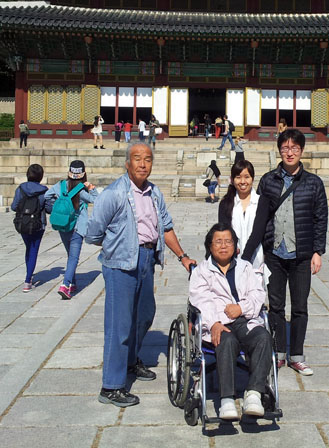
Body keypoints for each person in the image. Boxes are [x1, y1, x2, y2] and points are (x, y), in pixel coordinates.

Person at [86, 141, 196, 408]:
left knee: (145, 313)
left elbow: (166, 228)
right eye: (137, 158)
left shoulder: (154, 193)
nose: (143, 163)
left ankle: (130, 361)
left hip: (147, 258)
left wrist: (183, 257)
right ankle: (111, 386)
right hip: (120, 265)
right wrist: (118, 246)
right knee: (119, 324)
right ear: (127, 163)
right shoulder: (113, 193)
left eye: (147, 159)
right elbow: (93, 233)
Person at [257, 129, 327, 376]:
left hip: (301, 255)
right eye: (285, 148)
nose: (289, 152)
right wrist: (258, 250)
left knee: (300, 307)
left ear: (301, 151)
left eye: (294, 148)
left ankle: (297, 355)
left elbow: (320, 219)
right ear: (279, 150)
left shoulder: (314, 183)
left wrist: (318, 252)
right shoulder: (267, 181)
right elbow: (260, 217)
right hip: (274, 253)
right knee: (275, 306)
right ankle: (278, 353)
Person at [189, 223, 272, 420]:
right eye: (218, 242)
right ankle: (227, 399)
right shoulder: (201, 271)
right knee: (226, 341)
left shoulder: (246, 268)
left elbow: (258, 294)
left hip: (245, 320)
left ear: (236, 246)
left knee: (263, 337)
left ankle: (253, 394)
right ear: (210, 246)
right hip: (218, 324)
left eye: (228, 241)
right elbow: (200, 300)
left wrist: (241, 308)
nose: (224, 246)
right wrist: (214, 322)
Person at [44, 160, 99, 300]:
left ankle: (72, 282)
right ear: (83, 174)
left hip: (63, 226)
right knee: (74, 257)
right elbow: (96, 199)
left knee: (70, 255)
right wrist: (91, 187)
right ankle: (65, 285)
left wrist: (57, 206)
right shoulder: (81, 190)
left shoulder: (60, 185)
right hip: (77, 227)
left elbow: (47, 196)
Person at [218, 160, 271, 280]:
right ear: (232, 180)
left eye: (247, 177)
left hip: (255, 261)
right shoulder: (225, 203)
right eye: (238, 177)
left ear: (252, 178)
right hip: (231, 262)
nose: (242, 181)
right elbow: (225, 232)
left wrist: (244, 259)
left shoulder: (261, 202)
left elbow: (258, 232)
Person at [11, 163, 47, 291]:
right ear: (41, 177)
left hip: (23, 223)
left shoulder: (20, 189)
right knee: (33, 250)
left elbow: (14, 206)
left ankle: (29, 275)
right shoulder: (43, 191)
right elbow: (48, 208)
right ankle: (28, 280)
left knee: (28, 248)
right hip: (38, 224)